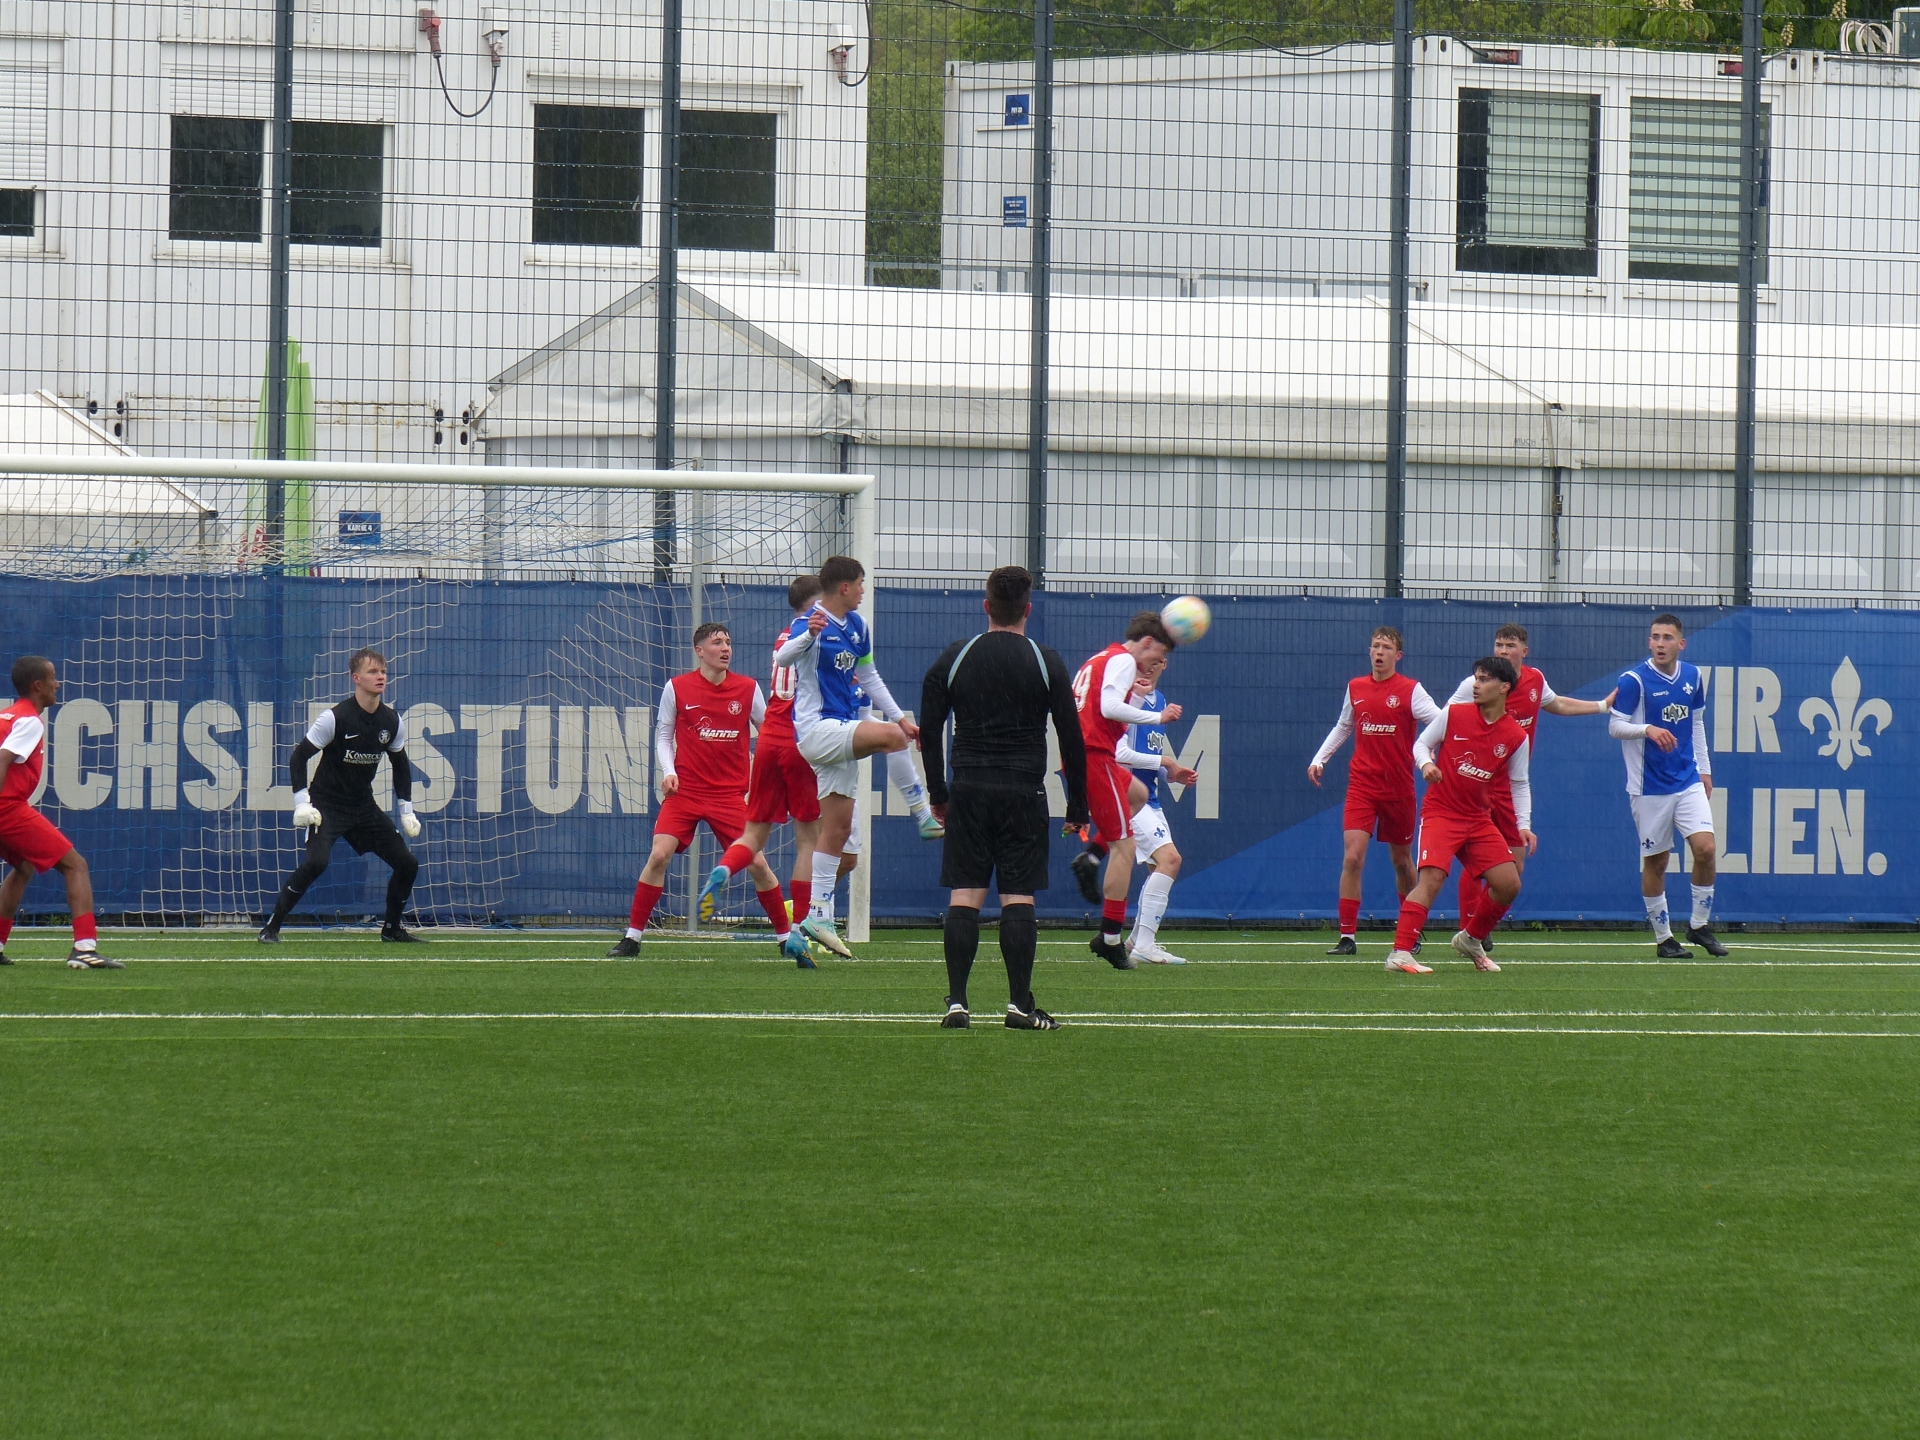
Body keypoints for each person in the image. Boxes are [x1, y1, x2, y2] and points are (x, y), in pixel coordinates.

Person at [920, 566, 1088, 1029]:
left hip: (969, 789)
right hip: (1023, 791)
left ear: (986, 606)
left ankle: (957, 1002)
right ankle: (1018, 1006)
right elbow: (1071, 737)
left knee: (965, 893)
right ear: (1028, 610)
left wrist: (938, 792)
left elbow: (929, 730)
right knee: (1018, 896)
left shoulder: (957, 656)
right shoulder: (1044, 660)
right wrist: (1078, 803)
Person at [608, 622, 799, 960]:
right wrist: (669, 772)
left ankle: (786, 939)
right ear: (699, 651)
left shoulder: (747, 688)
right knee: (659, 855)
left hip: (730, 795)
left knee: (757, 864)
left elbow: (770, 733)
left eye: (728, 642)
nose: (725, 648)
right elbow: (663, 736)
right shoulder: (677, 687)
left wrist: (772, 773)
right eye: (717, 643)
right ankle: (632, 938)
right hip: (686, 792)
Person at [775, 555, 932, 958]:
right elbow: (783, 658)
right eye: (861, 583)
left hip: (841, 729)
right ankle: (922, 813)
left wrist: (900, 717)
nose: (864, 590)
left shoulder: (858, 626)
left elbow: (870, 676)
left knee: (838, 831)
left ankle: (816, 917)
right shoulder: (810, 621)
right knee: (892, 738)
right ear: (844, 587)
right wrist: (808, 636)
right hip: (817, 729)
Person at [695, 575, 838, 967]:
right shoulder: (822, 632)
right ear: (819, 601)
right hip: (799, 739)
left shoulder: (783, 636)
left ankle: (724, 869)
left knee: (753, 835)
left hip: (769, 739)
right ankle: (799, 932)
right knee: (808, 841)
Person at [1442, 623, 1612, 952]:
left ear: (1524, 651)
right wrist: (1436, 757)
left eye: (1510, 645)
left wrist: (1602, 706)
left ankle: (1475, 928)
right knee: (1480, 865)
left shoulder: (1535, 680)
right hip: (1480, 784)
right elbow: (1444, 718)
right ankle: (1472, 931)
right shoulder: (1476, 685)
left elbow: (1557, 704)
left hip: (1512, 788)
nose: (1503, 651)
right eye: (1499, 645)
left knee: (1513, 866)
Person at [260, 648, 423, 944]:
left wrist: (407, 810)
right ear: (356, 678)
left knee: (407, 863)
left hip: (363, 807)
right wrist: (302, 804)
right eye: (373, 671)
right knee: (316, 863)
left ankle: (392, 930)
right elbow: (298, 757)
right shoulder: (335, 718)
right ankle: (271, 928)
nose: (381, 676)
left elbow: (400, 765)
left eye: (383, 671)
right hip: (327, 805)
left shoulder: (391, 721)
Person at [1385, 656, 1533, 976]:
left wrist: (1524, 825)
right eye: (1476, 678)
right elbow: (1422, 744)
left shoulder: (1516, 736)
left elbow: (1520, 784)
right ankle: (1400, 952)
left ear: (1504, 687)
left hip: (1478, 819)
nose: (1476, 685)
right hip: (1441, 812)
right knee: (1433, 878)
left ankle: (1470, 939)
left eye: (1484, 679)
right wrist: (1427, 764)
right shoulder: (1454, 713)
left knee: (1509, 884)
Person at [1307, 626, 1441, 956]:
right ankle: (1347, 937)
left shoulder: (1411, 690)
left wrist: (1430, 755)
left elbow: (1440, 722)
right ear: (1369, 651)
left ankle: (1410, 930)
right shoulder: (1356, 687)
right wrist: (1319, 759)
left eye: (1386, 647)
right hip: (1362, 787)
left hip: (1399, 790)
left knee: (1402, 862)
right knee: (1353, 857)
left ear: (1398, 655)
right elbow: (1344, 726)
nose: (1380, 652)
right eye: (1376, 646)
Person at [1609, 613, 1727, 958]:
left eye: (1667, 638)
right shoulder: (1634, 680)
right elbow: (1615, 726)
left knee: (1706, 849)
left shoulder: (1693, 675)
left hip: (1687, 779)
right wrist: (1646, 729)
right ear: (1649, 642)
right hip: (1648, 786)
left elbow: (1697, 723)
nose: (1660, 644)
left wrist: (1705, 770)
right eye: (1655, 637)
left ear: (1681, 643)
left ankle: (1699, 925)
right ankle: (1664, 939)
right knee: (1657, 862)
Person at [1075, 613, 1182, 969]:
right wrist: (1157, 716)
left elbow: (1107, 712)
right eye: (1159, 655)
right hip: (1095, 755)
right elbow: (1108, 708)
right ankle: (1109, 939)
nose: (1157, 664)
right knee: (1125, 848)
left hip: (1089, 753)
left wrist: (1136, 697)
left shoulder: (1101, 659)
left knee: (1136, 795)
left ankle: (1091, 857)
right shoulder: (1122, 659)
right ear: (1148, 642)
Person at [0, 656, 113, 968]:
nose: (58, 684)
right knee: (75, 866)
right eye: (53, 679)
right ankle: (85, 949)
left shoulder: (7, 716)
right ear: (38, 686)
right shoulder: (29, 721)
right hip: (7, 808)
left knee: (23, 867)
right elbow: (3, 759)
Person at [1112, 654, 1198, 965]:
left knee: (1157, 868)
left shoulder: (1158, 700)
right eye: (1143, 661)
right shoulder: (1125, 700)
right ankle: (1145, 945)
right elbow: (1118, 753)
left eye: (1157, 661)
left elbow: (1146, 752)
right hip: (1128, 796)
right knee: (1170, 860)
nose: (1148, 668)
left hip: (1150, 796)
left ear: (1165, 665)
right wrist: (1165, 762)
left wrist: (1169, 773)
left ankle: (1137, 940)